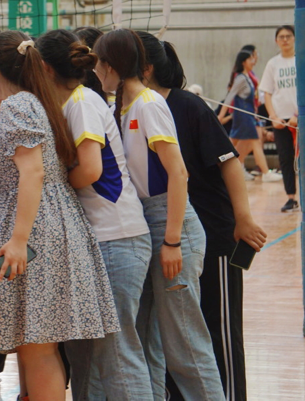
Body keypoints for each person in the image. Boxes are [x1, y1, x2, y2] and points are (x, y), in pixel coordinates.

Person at [0, 30, 119, 401]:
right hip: (49, 221)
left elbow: (33, 173)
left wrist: (19, 240)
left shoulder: (18, 105)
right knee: (37, 345)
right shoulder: (35, 101)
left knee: (37, 347)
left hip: (37, 228)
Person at [92, 28, 224, 400]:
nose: (96, 72)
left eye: (99, 64)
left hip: (170, 222)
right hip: (145, 222)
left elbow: (178, 173)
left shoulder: (149, 104)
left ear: (112, 66)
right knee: (148, 339)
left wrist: (172, 241)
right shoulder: (122, 107)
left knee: (185, 343)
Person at [140, 31, 267, 401]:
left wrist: (243, 218)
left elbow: (230, 162)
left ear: (144, 68)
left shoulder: (188, 106)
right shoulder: (133, 109)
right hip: (167, 237)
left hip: (212, 234)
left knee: (218, 326)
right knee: (175, 332)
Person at [36, 29, 153, 400]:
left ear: (44, 68)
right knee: (86, 354)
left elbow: (90, 170)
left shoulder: (82, 102)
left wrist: (50, 185)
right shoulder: (68, 103)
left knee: (117, 353)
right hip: (97, 242)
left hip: (117, 239)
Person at [218, 49, 282, 182]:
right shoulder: (240, 78)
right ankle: (266, 172)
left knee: (234, 144)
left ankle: (228, 167)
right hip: (243, 117)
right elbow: (229, 97)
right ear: (244, 62)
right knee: (254, 142)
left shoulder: (248, 77)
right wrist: (220, 116)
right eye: (250, 59)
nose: (253, 61)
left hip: (249, 116)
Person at [260, 25, 298, 212]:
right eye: (281, 37)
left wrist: (297, 115)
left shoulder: (301, 61)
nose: (285, 40)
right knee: (285, 158)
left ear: (294, 38)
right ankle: (291, 198)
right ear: (276, 40)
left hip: (301, 119)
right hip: (280, 121)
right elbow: (267, 92)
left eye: (288, 36)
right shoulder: (272, 64)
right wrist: (273, 117)